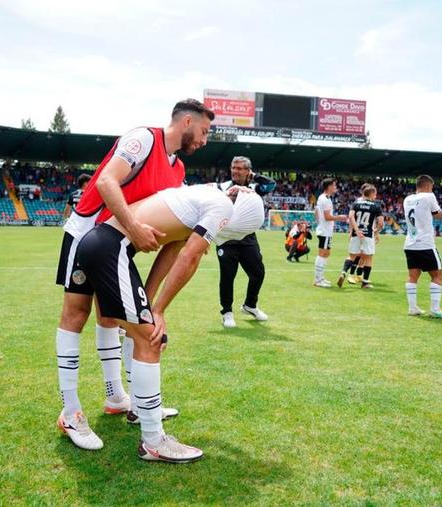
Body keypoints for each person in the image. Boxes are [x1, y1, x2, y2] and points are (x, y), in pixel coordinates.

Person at [54, 99, 214, 450]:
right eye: (203, 131)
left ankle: (118, 399)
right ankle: (70, 411)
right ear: (186, 121)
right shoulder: (143, 139)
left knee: (112, 316)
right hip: (86, 231)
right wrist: (135, 227)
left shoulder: (179, 171)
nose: (205, 139)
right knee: (75, 315)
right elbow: (107, 183)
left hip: (114, 244)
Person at [74, 185, 265, 462]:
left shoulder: (202, 200)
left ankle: (140, 409)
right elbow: (190, 256)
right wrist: (159, 311)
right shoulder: (221, 206)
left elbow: (174, 250)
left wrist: (150, 305)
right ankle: (153, 441)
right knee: (151, 339)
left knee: (142, 330)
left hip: (103, 243)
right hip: (109, 248)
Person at [216, 156, 276, 328]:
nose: (236, 171)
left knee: (258, 273)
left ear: (248, 171)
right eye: (234, 167)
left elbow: (271, 185)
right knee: (228, 276)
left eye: (240, 168)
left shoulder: (255, 188)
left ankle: (250, 305)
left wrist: (255, 177)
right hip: (226, 239)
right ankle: (227, 312)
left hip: (248, 238)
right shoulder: (222, 187)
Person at [402, 175, 442, 318]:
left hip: (410, 243)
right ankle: (435, 310)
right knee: (437, 274)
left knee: (413, 276)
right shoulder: (429, 196)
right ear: (428, 186)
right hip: (425, 244)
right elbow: (437, 215)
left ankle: (413, 308)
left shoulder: (407, 199)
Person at [339, 184, 383, 289]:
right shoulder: (376, 206)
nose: (375, 196)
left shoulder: (356, 203)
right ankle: (365, 282)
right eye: (375, 194)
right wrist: (376, 231)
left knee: (352, 256)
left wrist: (356, 230)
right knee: (368, 258)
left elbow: (350, 217)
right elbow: (381, 223)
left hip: (356, 233)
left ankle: (344, 272)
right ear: (371, 194)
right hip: (368, 234)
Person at [313, 178, 348, 287]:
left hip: (324, 229)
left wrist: (320, 223)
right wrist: (340, 217)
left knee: (326, 253)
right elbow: (328, 217)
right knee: (322, 253)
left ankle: (321, 278)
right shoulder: (326, 199)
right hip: (325, 231)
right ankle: (318, 280)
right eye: (334, 185)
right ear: (329, 187)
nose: (335, 187)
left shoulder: (322, 198)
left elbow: (316, 212)